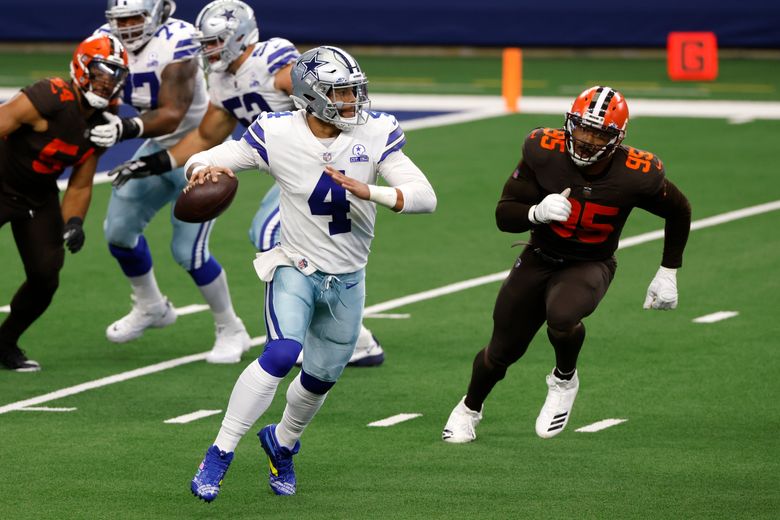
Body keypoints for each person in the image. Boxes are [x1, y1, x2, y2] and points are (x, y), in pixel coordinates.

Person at [185, 46, 436, 500]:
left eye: (354, 91)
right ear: (311, 95)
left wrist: (371, 191)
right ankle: (218, 453)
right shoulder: (276, 131)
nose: (351, 102)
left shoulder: (376, 130)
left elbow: (424, 196)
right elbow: (221, 154)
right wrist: (200, 168)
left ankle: (281, 442)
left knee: (320, 380)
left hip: (349, 278)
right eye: (340, 93)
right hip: (296, 266)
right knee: (281, 354)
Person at [108, 0, 386, 367]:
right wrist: (152, 163)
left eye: (214, 42)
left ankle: (320, 336)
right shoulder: (222, 81)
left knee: (272, 236)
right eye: (204, 43)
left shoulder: (274, 63)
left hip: (322, 164)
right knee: (277, 240)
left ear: (239, 37)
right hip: (293, 172)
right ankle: (355, 338)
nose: (208, 50)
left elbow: (331, 98)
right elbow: (206, 136)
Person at [442, 85, 692, 442]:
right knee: (501, 352)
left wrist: (669, 270)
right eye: (582, 127)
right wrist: (535, 212)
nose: (587, 139)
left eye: (599, 132)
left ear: (617, 137)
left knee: (562, 315)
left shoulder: (638, 173)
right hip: (538, 257)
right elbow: (504, 215)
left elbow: (679, 210)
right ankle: (469, 408)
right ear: (569, 123)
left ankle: (563, 379)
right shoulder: (543, 150)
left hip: (591, 263)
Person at [92, 0, 251, 362]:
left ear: (158, 14)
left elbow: (172, 113)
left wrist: (124, 128)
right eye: (122, 19)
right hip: (157, 145)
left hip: (201, 148)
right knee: (117, 231)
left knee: (188, 251)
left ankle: (231, 328)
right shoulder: (104, 41)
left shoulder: (178, 39)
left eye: (136, 18)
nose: (128, 27)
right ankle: (151, 306)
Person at [0, 34, 130, 372]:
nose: (106, 85)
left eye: (114, 78)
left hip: (38, 196)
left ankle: (4, 343)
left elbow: (81, 181)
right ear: (83, 68)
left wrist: (74, 222)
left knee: (46, 275)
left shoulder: (104, 121)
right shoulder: (50, 95)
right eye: (101, 75)